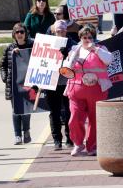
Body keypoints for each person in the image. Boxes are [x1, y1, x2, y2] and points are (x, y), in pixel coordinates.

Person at [63, 25, 113, 156]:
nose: (87, 39)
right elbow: (67, 67)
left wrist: (95, 49)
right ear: (80, 38)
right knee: (74, 118)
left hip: (97, 89)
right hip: (76, 89)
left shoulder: (101, 49)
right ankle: (78, 144)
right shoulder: (74, 49)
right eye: (84, 37)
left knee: (95, 119)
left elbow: (109, 60)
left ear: (94, 37)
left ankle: (92, 145)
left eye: (90, 37)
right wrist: (75, 54)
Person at [0, 23, 34, 144]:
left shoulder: (32, 45)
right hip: (14, 84)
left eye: (22, 32)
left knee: (26, 109)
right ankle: (17, 135)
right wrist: (5, 78)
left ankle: (26, 132)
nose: (19, 34)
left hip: (27, 83)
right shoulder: (9, 48)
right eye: (17, 32)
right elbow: (2, 65)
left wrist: (22, 54)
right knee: (16, 110)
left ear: (25, 33)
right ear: (14, 34)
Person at [46, 20, 73, 149]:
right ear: (53, 32)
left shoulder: (72, 44)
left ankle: (69, 137)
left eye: (62, 30)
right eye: (58, 31)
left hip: (67, 82)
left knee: (69, 111)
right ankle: (57, 139)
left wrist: (67, 53)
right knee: (54, 112)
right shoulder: (47, 43)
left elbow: (78, 60)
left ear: (66, 31)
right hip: (51, 82)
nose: (60, 33)